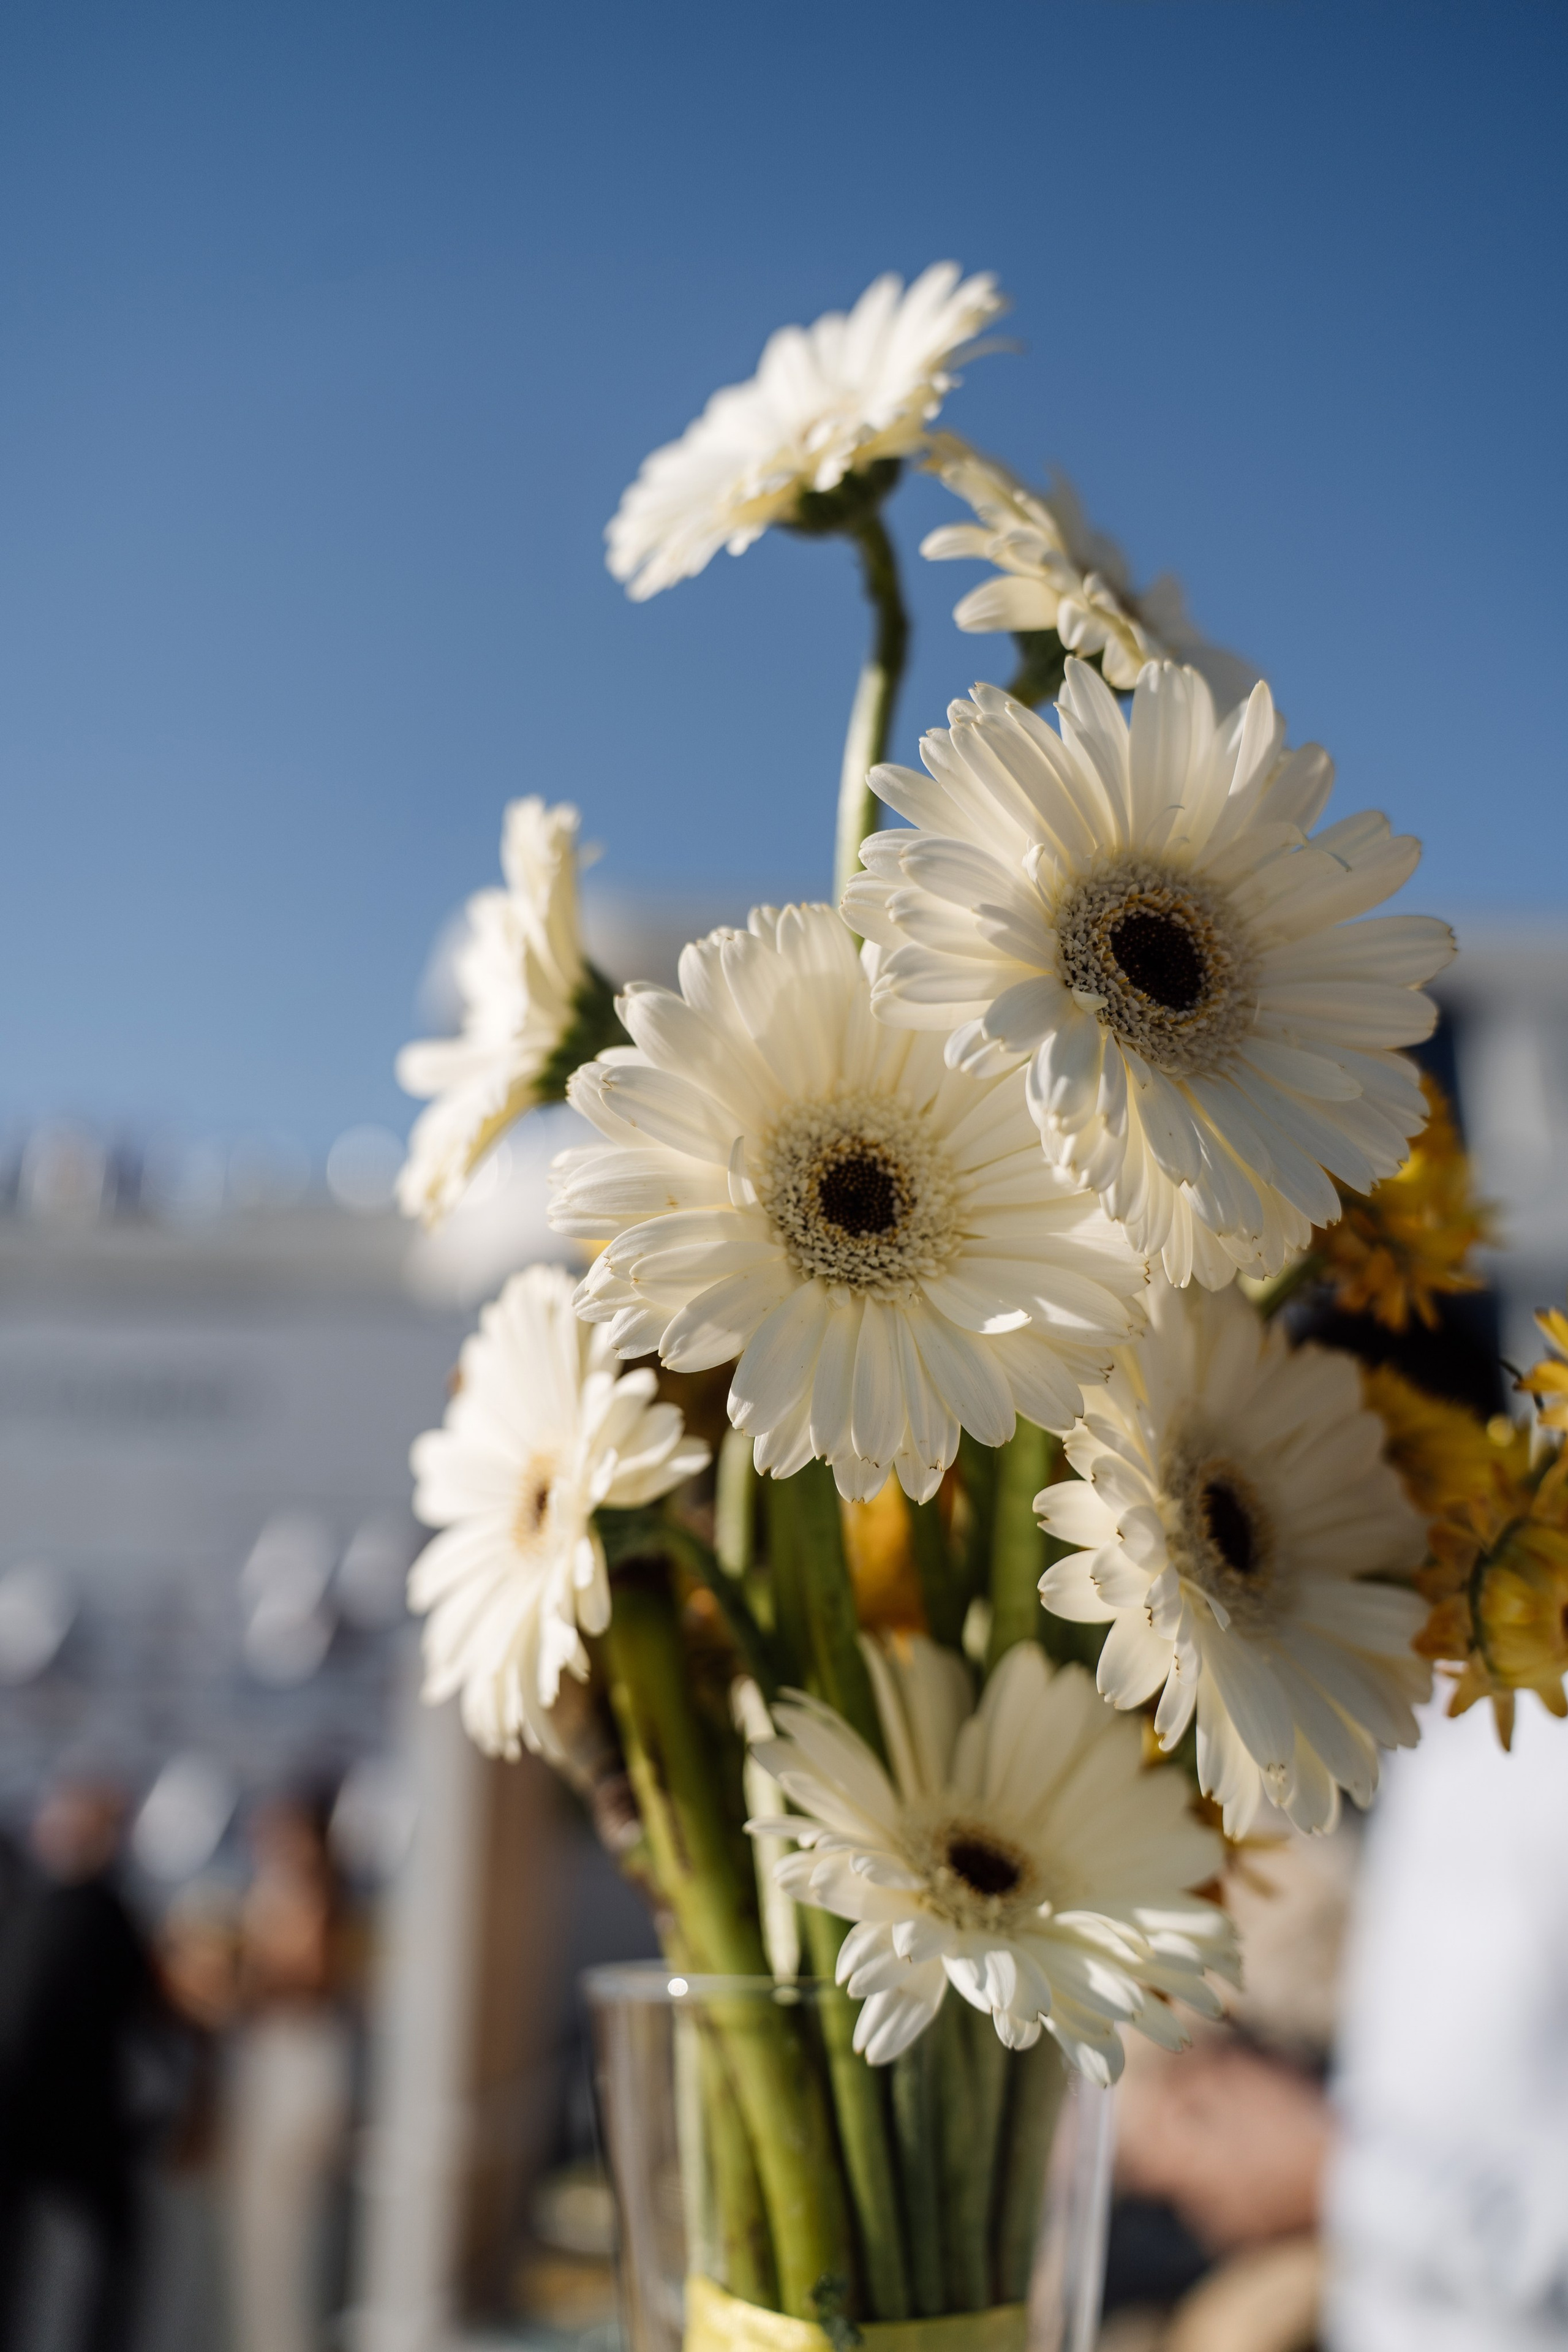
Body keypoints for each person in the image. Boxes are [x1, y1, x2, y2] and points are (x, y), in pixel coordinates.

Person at [0, 1781, 161, 2352]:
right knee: (107, 2264)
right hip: (74, 2119)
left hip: (39, 2119)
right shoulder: (94, 1914)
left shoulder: (36, 1911)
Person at [226, 1795, 355, 2352]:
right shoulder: (274, 1895)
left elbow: (310, 1979)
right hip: (270, 2060)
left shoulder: (320, 1900)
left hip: (301, 2061)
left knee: (292, 2219)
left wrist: (242, 1976)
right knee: (261, 2231)